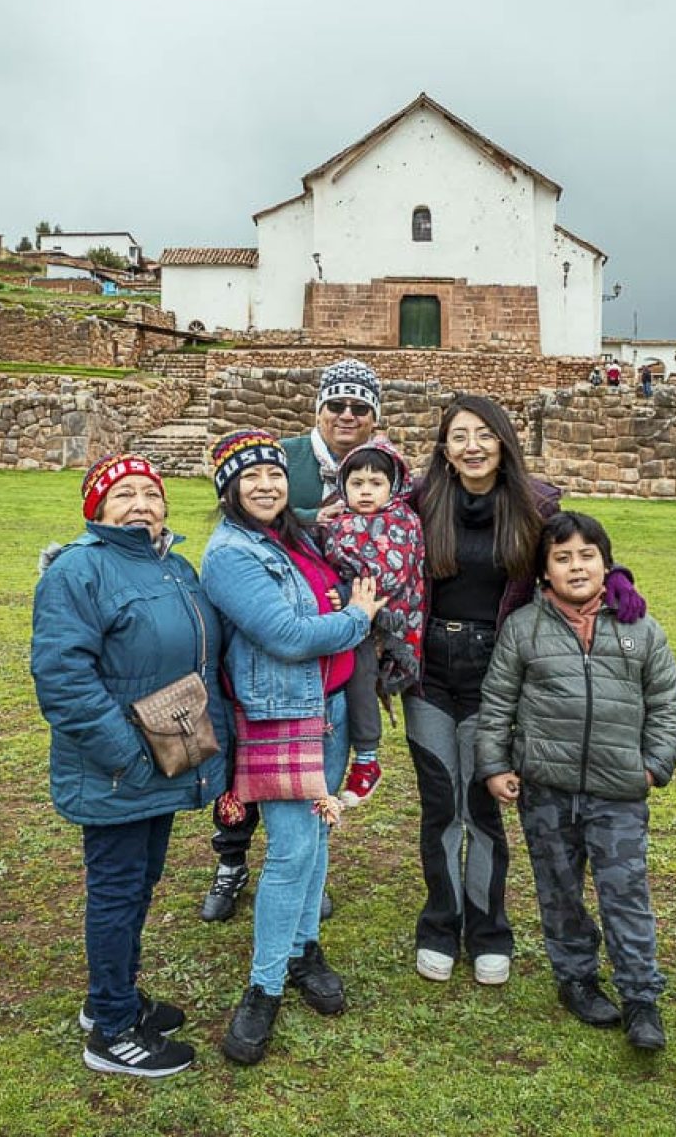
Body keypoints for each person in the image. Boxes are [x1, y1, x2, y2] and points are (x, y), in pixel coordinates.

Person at [403, 396, 645, 988]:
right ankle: (440, 923)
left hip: (499, 668)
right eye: (459, 436)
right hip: (429, 668)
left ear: (505, 441)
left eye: (485, 434)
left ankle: (489, 931)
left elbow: (573, 549)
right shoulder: (418, 499)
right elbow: (356, 522)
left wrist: (614, 584)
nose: (473, 447)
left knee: (483, 806)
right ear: (444, 447)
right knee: (442, 805)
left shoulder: (535, 505)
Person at [31, 453, 231, 1078]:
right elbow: (62, 677)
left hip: (164, 763)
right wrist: (126, 755)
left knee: (139, 885)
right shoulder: (78, 571)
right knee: (117, 893)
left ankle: (108, 999)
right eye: (124, 495)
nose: (141, 504)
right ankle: (113, 1033)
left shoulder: (175, 566)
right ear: (97, 510)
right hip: (121, 769)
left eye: (151, 493)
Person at [199, 430, 385, 1065]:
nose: (265, 486)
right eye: (248, 478)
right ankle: (264, 986)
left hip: (326, 709)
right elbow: (284, 635)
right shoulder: (230, 553)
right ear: (227, 488)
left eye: (273, 474)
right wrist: (357, 617)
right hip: (281, 716)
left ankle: (304, 948)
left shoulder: (294, 535)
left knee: (317, 835)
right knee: (291, 851)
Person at [476, 511, 676, 1051]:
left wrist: (652, 765)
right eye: (562, 557)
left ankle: (641, 996)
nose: (576, 567)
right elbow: (498, 703)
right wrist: (496, 765)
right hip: (547, 790)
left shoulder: (640, 628)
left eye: (586, 555)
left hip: (618, 793)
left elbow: (666, 704)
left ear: (605, 561)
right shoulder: (524, 628)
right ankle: (577, 978)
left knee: (626, 894)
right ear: (544, 572)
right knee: (560, 891)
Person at [200, 357, 383, 922]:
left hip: (326, 663)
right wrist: (354, 615)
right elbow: (269, 534)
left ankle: (306, 881)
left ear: (374, 418)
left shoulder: (376, 465)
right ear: (319, 408)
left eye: (360, 407)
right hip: (276, 659)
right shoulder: (278, 460)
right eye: (338, 404)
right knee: (246, 775)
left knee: (308, 801)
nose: (347, 415)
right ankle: (231, 864)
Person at [321, 437, 425, 806]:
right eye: (357, 483)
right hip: (341, 618)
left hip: (382, 624)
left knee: (360, 679)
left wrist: (347, 594)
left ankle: (367, 759)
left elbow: (390, 576)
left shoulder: (401, 523)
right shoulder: (336, 521)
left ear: (393, 485)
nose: (366, 492)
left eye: (376, 483)